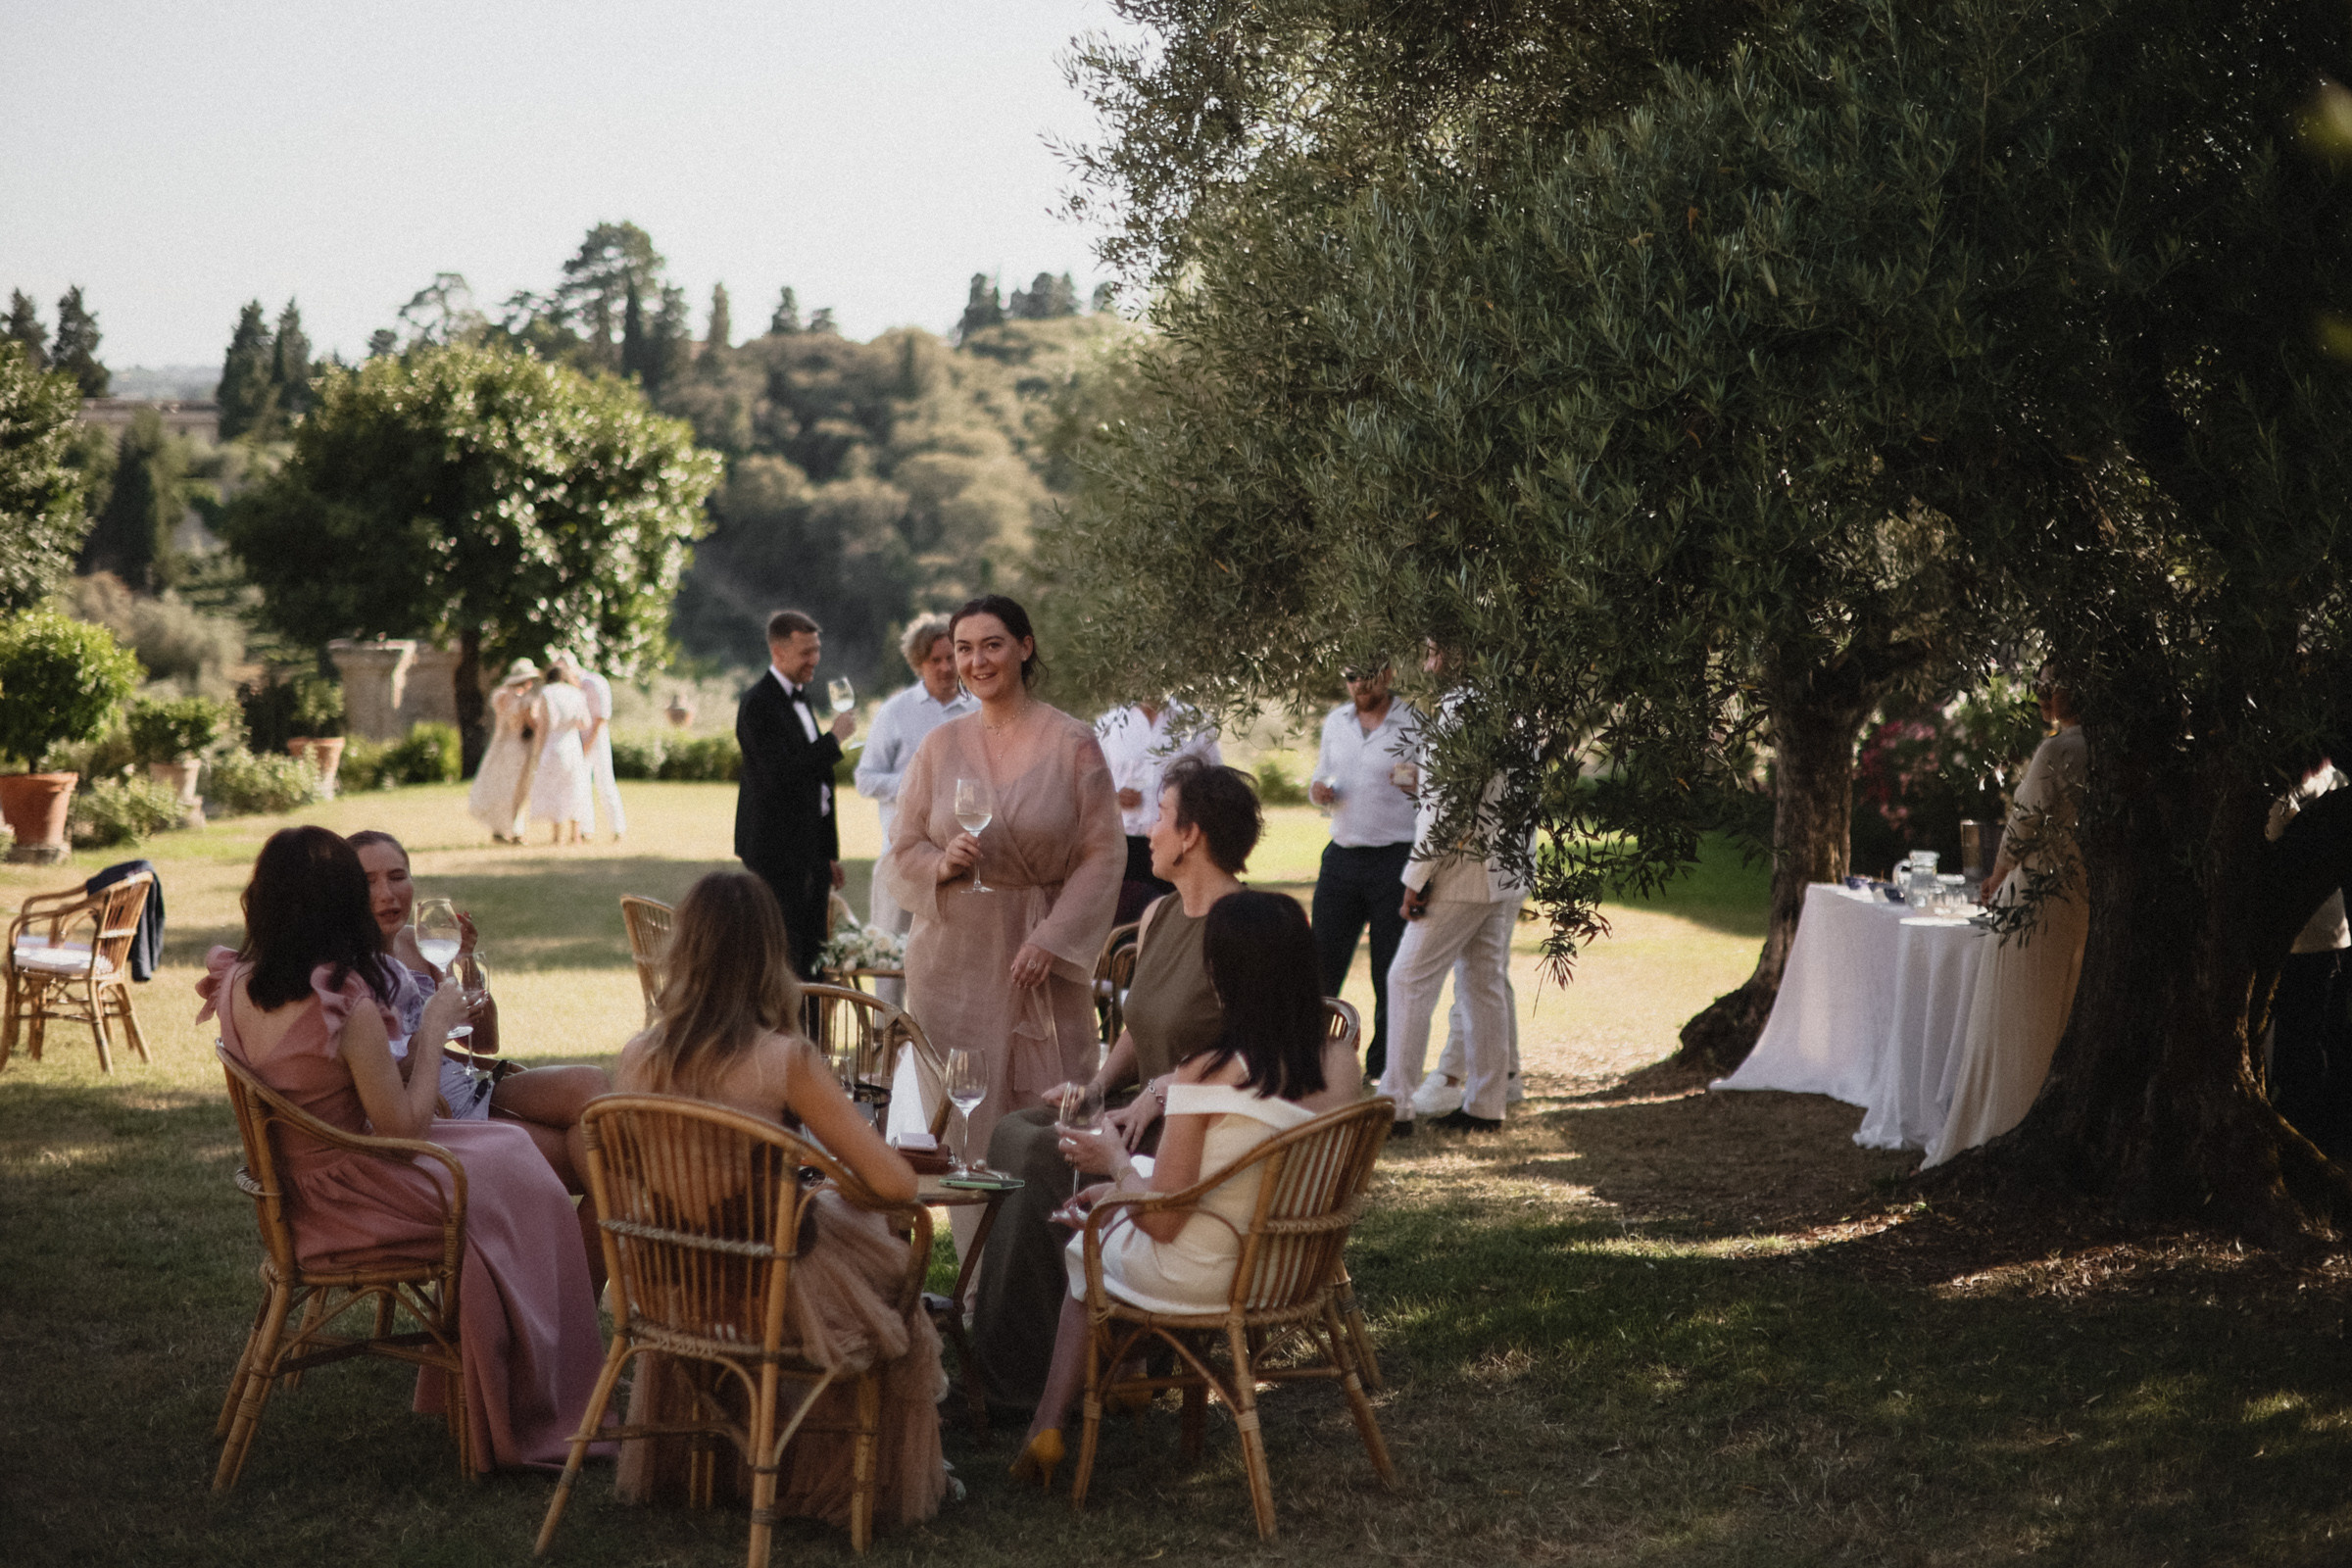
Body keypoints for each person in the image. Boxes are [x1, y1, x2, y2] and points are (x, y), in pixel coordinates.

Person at [199, 826, 608, 1471]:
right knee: (521, 1175)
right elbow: (406, 1130)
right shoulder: (346, 1002)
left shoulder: (239, 981)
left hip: (299, 1187)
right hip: (358, 1195)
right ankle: (537, 1386)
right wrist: (438, 1026)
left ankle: (528, 1366)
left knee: (506, 1150)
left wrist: (426, 1045)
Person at [612, 869, 949, 1531]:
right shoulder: (781, 1059)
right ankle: (829, 1481)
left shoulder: (638, 1055)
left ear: (684, 951)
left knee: (836, 1226)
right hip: (767, 1281)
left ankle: (728, 1462)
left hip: (678, 1280)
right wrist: (827, 1167)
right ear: (772, 957)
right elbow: (897, 1185)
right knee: (890, 1286)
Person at [1007, 890, 1365, 1490]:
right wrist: (1123, 1189)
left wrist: (1116, 1164)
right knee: (1108, 1211)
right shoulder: (1340, 1062)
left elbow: (1164, 1223)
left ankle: (1047, 1426)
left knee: (1085, 1245)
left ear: (1226, 979)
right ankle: (1127, 1382)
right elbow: (1238, 1176)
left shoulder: (1206, 1068)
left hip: (1210, 1274)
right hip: (1294, 1264)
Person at [969, 756, 1265, 1412]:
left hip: (1197, 1126)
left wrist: (1162, 1092)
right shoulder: (1160, 915)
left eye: (1160, 817)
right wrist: (1096, 1090)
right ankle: (1042, 1349)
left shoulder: (1242, 928)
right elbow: (1139, 1024)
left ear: (1192, 835)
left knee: (1042, 1154)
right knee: (1016, 1131)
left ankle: (1025, 1376)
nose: (1150, 830)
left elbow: (1251, 1045)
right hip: (1138, 1111)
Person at [877, 594, 1123, 1257]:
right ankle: (981, 1276)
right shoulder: (939, 745)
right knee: (966, 1114)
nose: (976, 660)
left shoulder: (1073, 742)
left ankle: (1059, 1261)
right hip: (954, 960)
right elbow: (900, 852)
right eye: (963, 648)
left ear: (1025, 646)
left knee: (1048, 1108)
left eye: (991, 644)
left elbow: (1104, 853)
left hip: (1045, 954)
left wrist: (1052, 939)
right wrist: (944, 860)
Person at [348, 830, 612, 1282]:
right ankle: (571, 1309)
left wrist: (466, 962)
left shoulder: (419, 942)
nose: (387, 894)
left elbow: (482, 1042)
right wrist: (431, 1031)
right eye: (369, 881)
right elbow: (386, 1079)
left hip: (469, 1077)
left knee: (594, 1087)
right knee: (609, 1172)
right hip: (435, 1112)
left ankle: (559, 1308)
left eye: (397, 876)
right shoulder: (349, 970)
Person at [1925, 675, 2090, 1166]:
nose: (2042, 696)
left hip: (2039, 893)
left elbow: (2024, 821)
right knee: (2058, 1012)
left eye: (2051, 687)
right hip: (2084, 893)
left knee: (2015, 1017)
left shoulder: (2059, 750)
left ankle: (1998, 1127)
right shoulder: (2116, 750)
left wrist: (1998, 873)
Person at [1308, 663, 1424, 1082]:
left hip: (1395, 857)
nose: (1359, 684)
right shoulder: (1336, 721)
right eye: (1351, 676)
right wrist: (1318, 790)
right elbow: (1321, 776)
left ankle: (1383, 1068)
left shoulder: (1414, 722)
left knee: (1388, 967)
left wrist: (1414, 781)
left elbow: (1437, 785)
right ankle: (1309, 1057)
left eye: (1367, 676)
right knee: (1321, 961)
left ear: (1388, 675)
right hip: (1342, 854)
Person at [854, 613, 976, 1005]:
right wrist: (913, 785)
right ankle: (883, 1052)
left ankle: (936, 1055)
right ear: (918, 664)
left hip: (961, 859)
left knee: (949, 965)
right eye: (934, 660)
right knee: (891, 961)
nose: (944, 667)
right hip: (902, 857)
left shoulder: (978, 710)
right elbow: (865, 778)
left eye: (950, 657)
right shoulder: (896, 711)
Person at [737, 609, 858, 979]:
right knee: (784, 957)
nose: (815, 660)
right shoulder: (758, 704)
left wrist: (827, 853)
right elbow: (781, 776)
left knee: (814, 955)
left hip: (809, 853)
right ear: (779, 653)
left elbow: (818, 787)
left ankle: (812, 1035)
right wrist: (834, 740)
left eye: (816, 650)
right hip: (777, 853)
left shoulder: (802, 698)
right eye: (806, 652)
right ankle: (785, 1034)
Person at [2265, 757, 2351, 1158]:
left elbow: (2272, 828)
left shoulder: (2301, 783)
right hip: (2331, 930)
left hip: (2307, 935)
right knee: (2318, 1034)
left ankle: (2306, 1134)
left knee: (2300, 1041)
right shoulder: (2335, 777)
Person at [1094, 699, 1222, 924]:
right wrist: (1112, 796)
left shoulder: (1195, 722)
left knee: (1180, 919)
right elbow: (1089, 785)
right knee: (1124, 923)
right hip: (1125, 845)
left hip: (1181, 842)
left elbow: (1218, 782)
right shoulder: (1108, 724)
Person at [552, 649, 624, 843]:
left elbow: (601, 718)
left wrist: (588, 744)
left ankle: (617, 828)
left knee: (605, 782)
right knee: (580, 786)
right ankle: (585, 830)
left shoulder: (594, 683)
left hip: (596, 738)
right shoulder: (567, 689)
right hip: (576, 740)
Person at [467, 659, 540, 844]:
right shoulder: (524, 700)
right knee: (518, 789)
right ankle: (515, 830)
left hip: (501, 744)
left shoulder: (499, 696)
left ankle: (499, 829)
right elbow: (530, 723)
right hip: (519, 747)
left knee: (501, 787)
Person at [528, 662, 595, 846]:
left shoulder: (547, 693)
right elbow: (585, 723)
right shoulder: (576, 693)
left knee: (555, 788)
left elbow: (543, 725)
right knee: (574, 787)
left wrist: (537, 750)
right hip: (572, 743)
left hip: (553, 743)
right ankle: (575, 835)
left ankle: (557, 836)